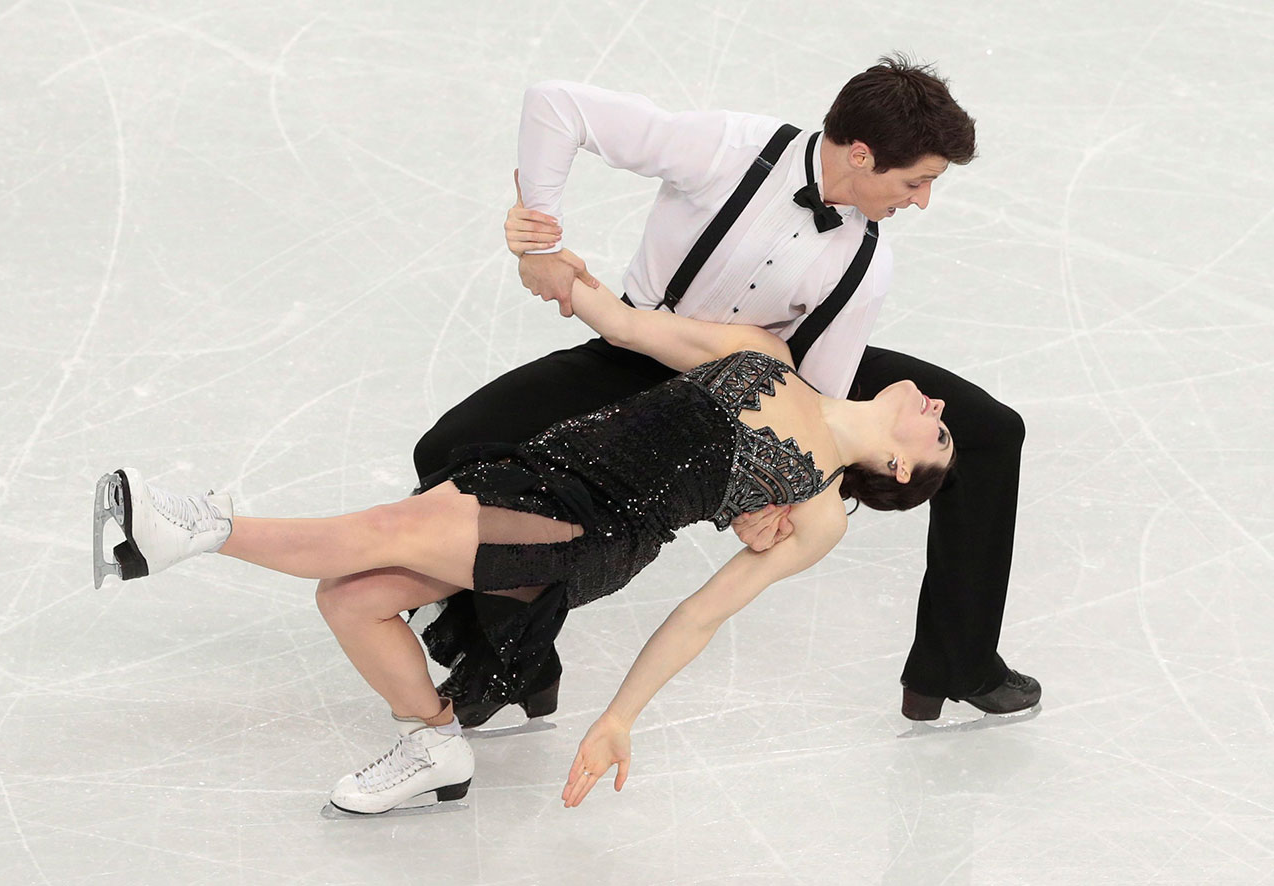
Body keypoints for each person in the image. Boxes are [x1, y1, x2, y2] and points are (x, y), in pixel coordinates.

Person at [92, 270, 955, 814]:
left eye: (940, 440)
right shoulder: (765, 353)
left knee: (389, 528)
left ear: (899, 470)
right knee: (351, 599)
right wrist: (560, 271)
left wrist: (619, 718)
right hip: (546, 470)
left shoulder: (816, 513)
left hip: (594, 529)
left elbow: (701, 615)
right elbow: (632, 330)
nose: (941, 412)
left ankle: (191, 531)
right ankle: (432, 742)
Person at [415, 55, 1039, 726]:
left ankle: (956, 663)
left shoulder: (866, 258)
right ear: (861, 154)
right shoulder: (729, 148)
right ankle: (522, 665)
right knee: (452, 448)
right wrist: (539, 236)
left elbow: (815, 395)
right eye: (918, 182)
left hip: (765, 377)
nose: (921, 201)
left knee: (990, 431)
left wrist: (780, 491)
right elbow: (555, 104)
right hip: (643, 349)